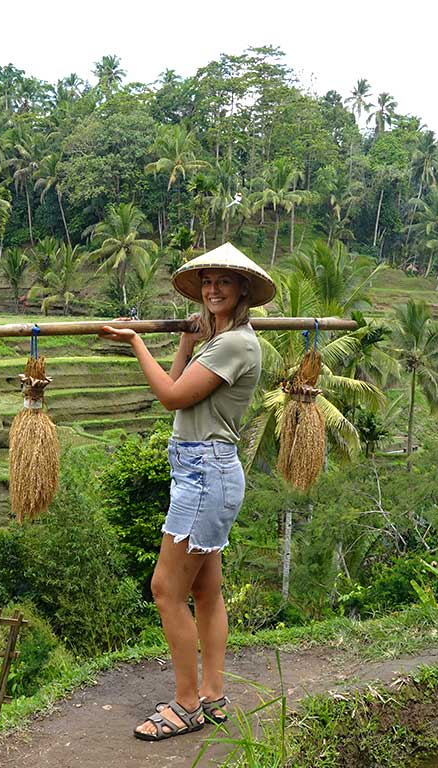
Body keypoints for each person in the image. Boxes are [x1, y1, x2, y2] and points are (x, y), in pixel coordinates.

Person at [98, 243, 274, 742]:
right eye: (207, 281)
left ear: (243, 289)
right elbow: (178, 384)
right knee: (205, 590)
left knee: (165, 590)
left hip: (205, 473)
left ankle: (186, 703)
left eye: (224, 281)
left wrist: (135, 341)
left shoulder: (235, 344)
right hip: (202, 471)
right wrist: (182, 340)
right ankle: (213, 695)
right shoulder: (218, 341)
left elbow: (170, 397)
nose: (213, 289)